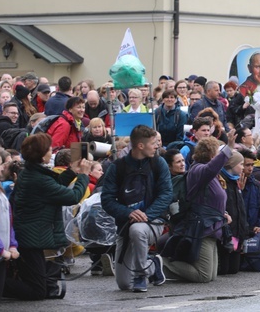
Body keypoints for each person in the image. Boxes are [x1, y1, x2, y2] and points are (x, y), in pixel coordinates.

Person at [4, 134, 89, 300]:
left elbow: (55, 185)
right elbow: (72, 196)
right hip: (31, 239)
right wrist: (83, 176)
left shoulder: (31, 172)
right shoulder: (37, 179)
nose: (52, 151)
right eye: (49, 149)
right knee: (37, 292)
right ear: (42, 155)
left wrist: (72, 171)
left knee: (41, 286)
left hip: (31, 235)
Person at [101, 125, 171, 292]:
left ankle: (141, 274)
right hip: (126, 224)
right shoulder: (117, 167)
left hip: (153, 221)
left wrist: (146, 215)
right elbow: (107, 199)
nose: (157, 146)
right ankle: (152, 265)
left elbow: (166, 194)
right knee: (124, 284)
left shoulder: (158, 163)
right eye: (154, 143)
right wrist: (128, 213)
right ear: (140, 146)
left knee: (138, 230)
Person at [163, 137, 233, 283]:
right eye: (217, 152)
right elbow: (211, 168)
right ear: (210, 154)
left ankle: (162, 270)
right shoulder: (198, 170)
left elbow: (210, 199)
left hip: (213, 226)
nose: (219, 156)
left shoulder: (206, 173)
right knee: (204, 276)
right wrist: (229, 148)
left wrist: (223, 213)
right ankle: (160, 263)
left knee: (212, 275)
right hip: (202, 228)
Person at [0, 147, 17, 309]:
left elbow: (7, 220)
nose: (2, 168)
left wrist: (12, 244)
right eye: (0, 164)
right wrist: (0, 249)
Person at [217, 151, 249, 275]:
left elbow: (241, 209)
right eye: (241, 164)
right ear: (231, 165)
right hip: (226, 231)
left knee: (234, 269)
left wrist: (243, 232)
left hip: (237, 231)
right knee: (224, 269)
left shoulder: (236, 183)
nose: (242, 167)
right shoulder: (222, 181)